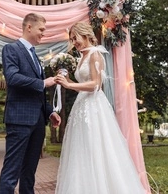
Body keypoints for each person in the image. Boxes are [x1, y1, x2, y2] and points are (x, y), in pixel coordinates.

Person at [54, 22, 146, 194]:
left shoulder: (96, 54)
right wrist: (64, 79)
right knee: (81, 150)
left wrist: (70, 85)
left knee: (96, 146)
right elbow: (83, 82)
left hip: (94, 107)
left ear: (86, 34)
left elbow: (96, 84)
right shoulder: (81, 56)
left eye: (76, 38)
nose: (74, 42)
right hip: (81, 107)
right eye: (72, 39)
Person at [0, 13, 61, 194]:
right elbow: (12, 77)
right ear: (29, 27)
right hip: (19, 120)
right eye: (41, 29)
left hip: (38, 123)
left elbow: (38, 94)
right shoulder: (11, 49)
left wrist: (49, 112)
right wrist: (43, 82)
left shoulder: (35, 56)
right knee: (11, 172)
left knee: (29, 173)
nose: (43, 33)